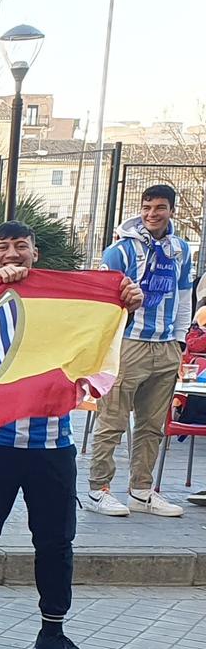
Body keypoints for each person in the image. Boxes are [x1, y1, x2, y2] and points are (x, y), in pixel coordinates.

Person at [0, 222, 144, 649]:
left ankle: (53, 633)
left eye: (20, 246)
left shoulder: (66, 298)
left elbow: (111, 317)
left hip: (52, 445)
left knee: (55, 542)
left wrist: (124, 298)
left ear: (35, 252)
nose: (12, 254)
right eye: (2, 247)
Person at [87, 184, 196, 518]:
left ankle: (142, 490)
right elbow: (104, 299)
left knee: (152, 425)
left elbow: (182, 296)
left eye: (160, 208)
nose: (152, 214)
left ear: (171, 211)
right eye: (147, 207)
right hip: (130, 342)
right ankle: (98, 489)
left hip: (165, 346)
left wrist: (179, 340)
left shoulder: (179, 249)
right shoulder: (120, 251)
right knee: (112, 420)